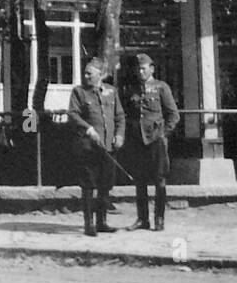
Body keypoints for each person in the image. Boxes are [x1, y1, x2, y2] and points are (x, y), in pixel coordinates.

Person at [67, 58, 125, 237]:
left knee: (105, 184)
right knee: (88, 184)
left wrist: (119, 135)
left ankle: (102, 222)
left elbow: (119, 116)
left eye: (89, 73)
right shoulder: (79, 92)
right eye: (85, 73)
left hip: (108, 147)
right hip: (88, 147)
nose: (86, 76)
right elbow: (73, 114)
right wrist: (88, 129)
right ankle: (89, 224)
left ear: (101, 74)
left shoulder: (111, 91)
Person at [124, 53, 180, 231]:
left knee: (159, 180)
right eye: (138, 69)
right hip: (138, 140)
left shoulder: (161, 87)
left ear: (152, 69)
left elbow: (173, 115)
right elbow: (128, 115)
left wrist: (163, 134)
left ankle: (159, 218)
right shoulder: (132, 89)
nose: (140, 72)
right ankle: (142, 219)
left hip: (156, 140)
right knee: (139, 180)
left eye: (143, 68)